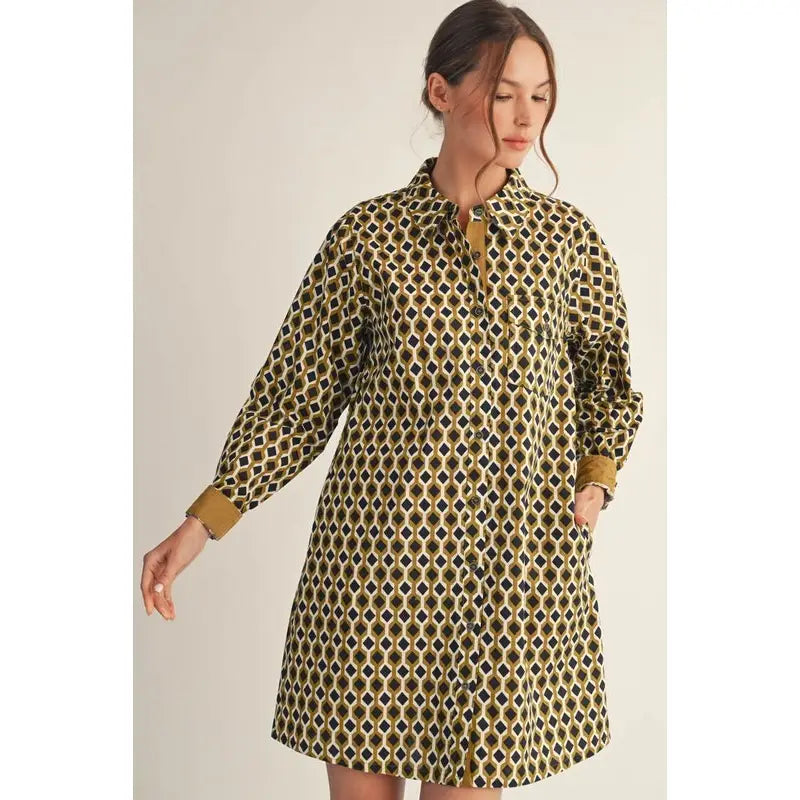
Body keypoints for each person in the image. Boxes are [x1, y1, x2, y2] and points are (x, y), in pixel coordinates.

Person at [141, 1, 645, 797]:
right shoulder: (369, 239)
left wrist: (597, 475)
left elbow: (609, 382)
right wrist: (202, 522)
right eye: (503, 93)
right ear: (442, 92)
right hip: (375, 580)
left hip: (507, 581)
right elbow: (295, 397)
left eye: (541, 96)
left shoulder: (567, 243)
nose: (526, 117)